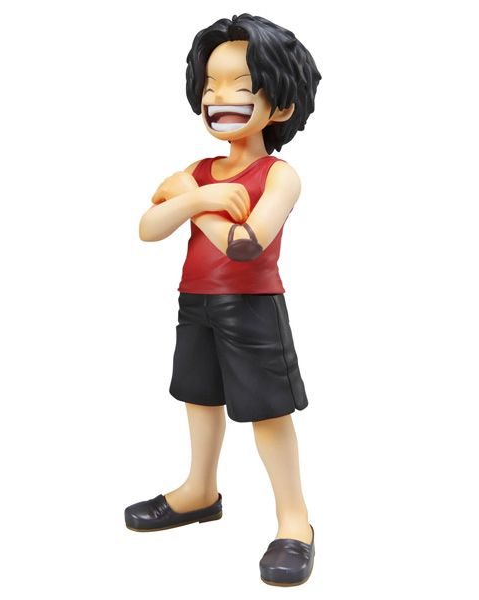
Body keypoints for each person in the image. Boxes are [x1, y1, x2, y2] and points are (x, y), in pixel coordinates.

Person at [124, 13, 321, 587]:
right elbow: (148, 227)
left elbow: (245, 245)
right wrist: (196, 196)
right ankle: (199, 490)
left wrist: (195, 202)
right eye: (211, 84)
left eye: (240, 85)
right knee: (199, 396)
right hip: (195, 303)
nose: (219, 97)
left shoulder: (279, 175)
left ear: (280, 105)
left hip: (252, 307)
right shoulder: (200, 172)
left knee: (268, 411)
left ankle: (295, 521)